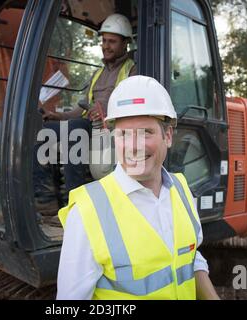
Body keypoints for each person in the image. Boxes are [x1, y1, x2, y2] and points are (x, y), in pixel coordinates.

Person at [56, 76, 220, 300]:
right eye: (124, 134)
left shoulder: (182, 191)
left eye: (146, 132)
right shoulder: (87, 212)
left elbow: (191, 258)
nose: (134, 146)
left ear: (168, 135)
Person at [34, 14, 136, 218]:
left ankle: (77, 205)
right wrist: (54, 115)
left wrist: (106, 112)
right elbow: (80, 110)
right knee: (42, 132)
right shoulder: (97, 74)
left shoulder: (132, 71)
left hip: (111, 130)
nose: (106, 46)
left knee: (75, 129)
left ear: (125, 43)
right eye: (104, 40)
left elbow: (133, 107)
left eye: (112, 41)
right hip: (88, 125)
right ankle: (47, 201)